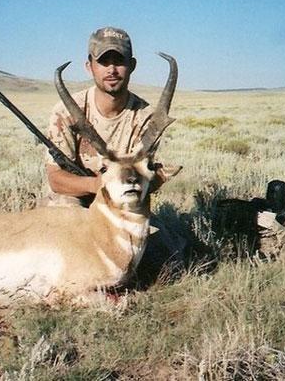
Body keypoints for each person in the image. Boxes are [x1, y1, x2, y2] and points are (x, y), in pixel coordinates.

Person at [41, 26, 190, 282]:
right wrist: (98, 184)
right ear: (89, 66)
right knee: (63, 238)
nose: (111, 69)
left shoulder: (147, 119)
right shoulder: (67, 111)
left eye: (119, 61)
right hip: (73, 200)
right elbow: (56, 180)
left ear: (131, 65)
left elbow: (146, 178)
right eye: (103, 61)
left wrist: (151, 178)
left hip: (122, 205)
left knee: (170, 255)